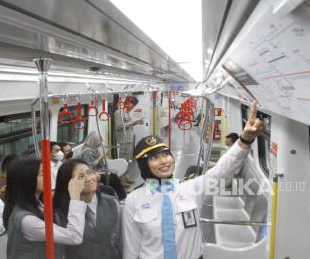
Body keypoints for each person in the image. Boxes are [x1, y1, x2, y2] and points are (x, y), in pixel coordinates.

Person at [122, 101, 265, 259]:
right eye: (155, 158)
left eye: (166, 155)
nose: (164, 161)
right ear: (144, 166)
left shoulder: (190, 189)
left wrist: (244, 140)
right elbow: (131, 249)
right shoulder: (133, 200)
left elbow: (221, 172)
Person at [4, 158, 87, 259]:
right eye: (43, 174)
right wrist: (75, 196)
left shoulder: (39, 205)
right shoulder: (26, 220)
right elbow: (74, 237)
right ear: (28, 179)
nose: (49, 177)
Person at [53, 159, 122, 259]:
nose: (89, 178)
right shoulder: (60, 215)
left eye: (90, 172)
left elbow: (119, 238)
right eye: (81, 177)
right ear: (69, 184)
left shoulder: (112, 202)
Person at [80, 132, 127, 200]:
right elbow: (89, 166)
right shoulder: (87, 151)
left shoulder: (92, 148)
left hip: (99, 170)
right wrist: (101, 158)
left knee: (114, 176)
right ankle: (117, 197)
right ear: (94, 141)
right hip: (93, 172)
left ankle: (122, 196)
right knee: (111, 179)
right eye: (99, 142)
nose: (99, 144)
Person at [114, 96, 142, 185]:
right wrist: (131, 123)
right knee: (123, 160)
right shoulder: (119, 112)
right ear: (127, 102)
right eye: (132, 105)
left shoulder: (126, 112)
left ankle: (126, 177)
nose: (132, 107)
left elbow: (127, 126)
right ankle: (120, 180)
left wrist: (133, 123)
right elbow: (118, 127)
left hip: (129, 140)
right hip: (123, 141)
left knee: (128, 160)